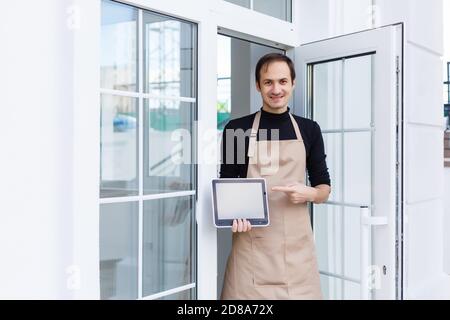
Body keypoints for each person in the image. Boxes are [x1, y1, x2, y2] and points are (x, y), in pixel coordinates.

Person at [219, 53, 331, 300]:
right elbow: (227, 186)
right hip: (251, 249)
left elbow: (324, 188)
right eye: (268, 82)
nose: (276, 89)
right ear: (258, 86)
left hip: (297, 252)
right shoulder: (237, 129)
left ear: (293, 83)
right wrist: (234, 215)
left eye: (282, 81)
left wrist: (309, 193)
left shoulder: (309, 129)